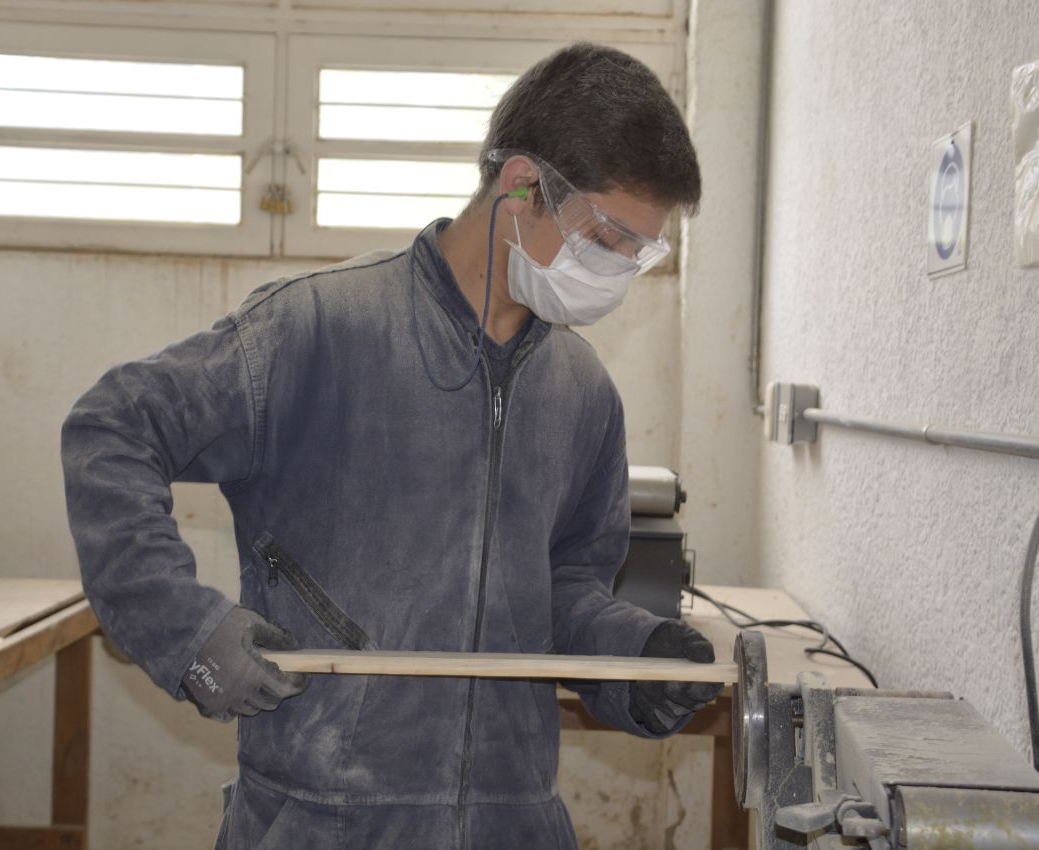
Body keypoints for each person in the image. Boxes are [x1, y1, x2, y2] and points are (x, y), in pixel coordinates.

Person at [61, 41, 721, 850]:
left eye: (641, 253)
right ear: (521, 184)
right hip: (321, 823)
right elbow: (113, 428)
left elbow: (563, 590)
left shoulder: (581, 392)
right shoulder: (320, 329)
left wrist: (635, 653)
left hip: (512, 822)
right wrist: (185, 631)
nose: (619, 272)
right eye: (609, 237)